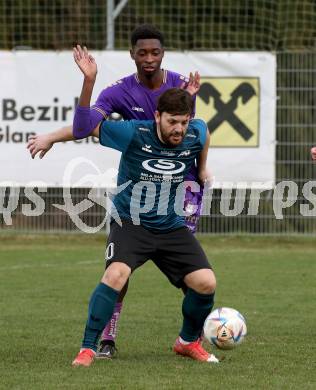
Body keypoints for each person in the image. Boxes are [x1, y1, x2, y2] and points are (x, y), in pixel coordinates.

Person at [27, 25, 205, 359]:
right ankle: (107, 334)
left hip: (178, 194)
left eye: (155, 52)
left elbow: (192, 133)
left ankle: (191, 335)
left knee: (195, 279)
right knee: (119, 269)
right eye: (143, 53)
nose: (149, 59)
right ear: (132, 55)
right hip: (136, 194)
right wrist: (57, 129)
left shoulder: (181, 84)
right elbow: (86, 127)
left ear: (163, 54)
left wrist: (201, 176)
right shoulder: (121, 91)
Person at [70, 44, 217, 367]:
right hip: (130, 223)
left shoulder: (195, 131)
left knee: (206, 283)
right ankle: (88, 347)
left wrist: (202, 167)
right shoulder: (132, 133)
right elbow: (82, 128)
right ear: (156, 117)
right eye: (172, 122)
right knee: (115, 275)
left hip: (170, 226)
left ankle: (187, 342)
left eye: (183, 121)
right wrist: (89, 81)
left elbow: (204, 133)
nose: (178, 129)